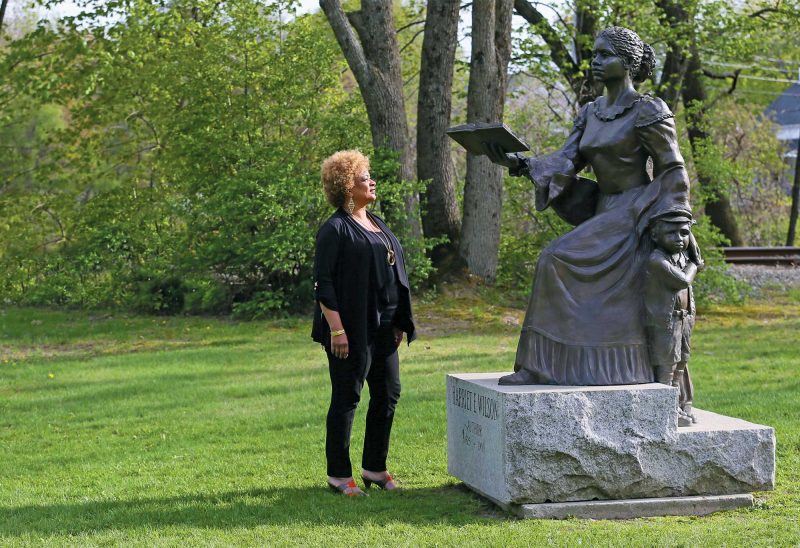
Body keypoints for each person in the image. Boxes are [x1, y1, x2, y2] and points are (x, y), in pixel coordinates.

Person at [484, 26, 693, 385]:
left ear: (627, 63)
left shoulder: (648, 111)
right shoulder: (591, 113)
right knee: (558, 263)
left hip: (635, 212)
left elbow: (673, 170)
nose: (595, 62)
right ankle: (548, 366)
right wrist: (518, 164)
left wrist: (671, 226)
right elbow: (566, 161)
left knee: (553, 257)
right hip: (604, 210)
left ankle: (545, 367)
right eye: (594, 54)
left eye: (604, 55)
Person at [312, 150, 416, 496]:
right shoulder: (334, 229)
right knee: (347, 398)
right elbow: (323, 284)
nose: (371, 181)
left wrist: (400, 320)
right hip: (350, 329)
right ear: (345, 185)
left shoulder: (377, 222)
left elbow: (393, 271)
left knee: (388, 393)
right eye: (363, 177)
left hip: (385, 327)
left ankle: (374, 467)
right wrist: (337, 330)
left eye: (370, 176)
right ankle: (339, 475)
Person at [645, 213, 703, 426]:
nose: (679, 238)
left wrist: (692, 249)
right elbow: (682, 280)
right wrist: (696, 263)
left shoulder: (683, 258)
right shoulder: (656, 260)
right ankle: (664, 410)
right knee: (666, 366)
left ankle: (679, 406)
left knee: (681, 363)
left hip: (685, 319)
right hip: (666, 322)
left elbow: (691, 258)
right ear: (655, 235)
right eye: (671, 233)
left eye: (684, 233)